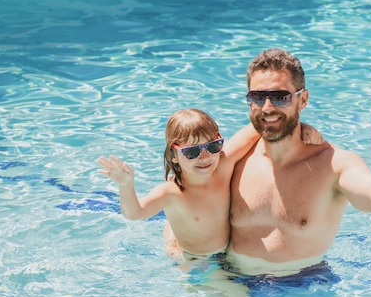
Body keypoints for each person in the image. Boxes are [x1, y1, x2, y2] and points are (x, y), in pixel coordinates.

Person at [227, 48, 371, 276]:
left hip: (303, 285)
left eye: (280, 97)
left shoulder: (334, 165)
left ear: (302, 99)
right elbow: (188, 189)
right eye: (257, 97)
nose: (267, 107)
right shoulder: (234, 159)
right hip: (233, 279)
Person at [97, 108, 323, 262]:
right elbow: (134, 214)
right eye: (192, 151)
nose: (205, 157)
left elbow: (258, 127)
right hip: (192, 257)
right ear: (174, 155)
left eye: (213, 147)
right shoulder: (172, 192)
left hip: (225, 252)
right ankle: (171, 236)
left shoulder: (222, 167)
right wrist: (126, 185)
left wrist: (299, 126)